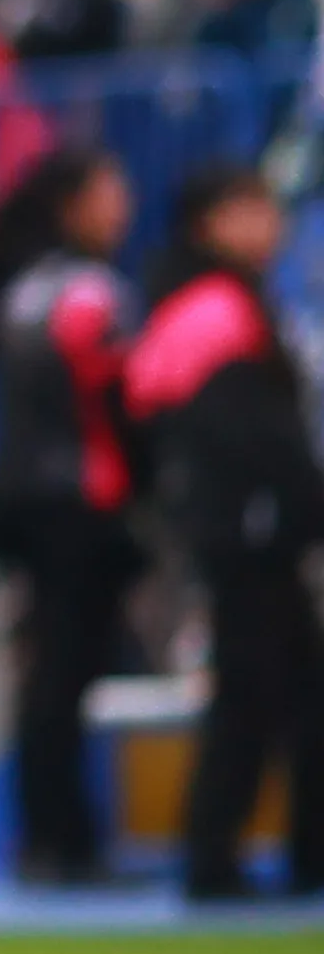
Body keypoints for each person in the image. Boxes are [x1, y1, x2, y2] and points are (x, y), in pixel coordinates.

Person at [123, 166, 324, 903]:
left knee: (291, 691)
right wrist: (299, 503)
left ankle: (280, 852)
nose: (271, 226)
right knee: (254, 695)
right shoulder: (220, 310)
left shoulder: (182, 304)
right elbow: (257, 434)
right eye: (254, 210)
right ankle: (216, 858)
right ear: (215, 220)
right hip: (250, 532)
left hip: (229, 528)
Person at [0, 146, 142, 888]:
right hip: (78, 505)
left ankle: (44, 838)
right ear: (74, 206)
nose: (122, 207)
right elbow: (112, 410)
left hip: (17, 502)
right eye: (110, 192)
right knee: (66, 678)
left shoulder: (21, 293)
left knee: (44, 679)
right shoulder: (91, 296)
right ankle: (69, 844)